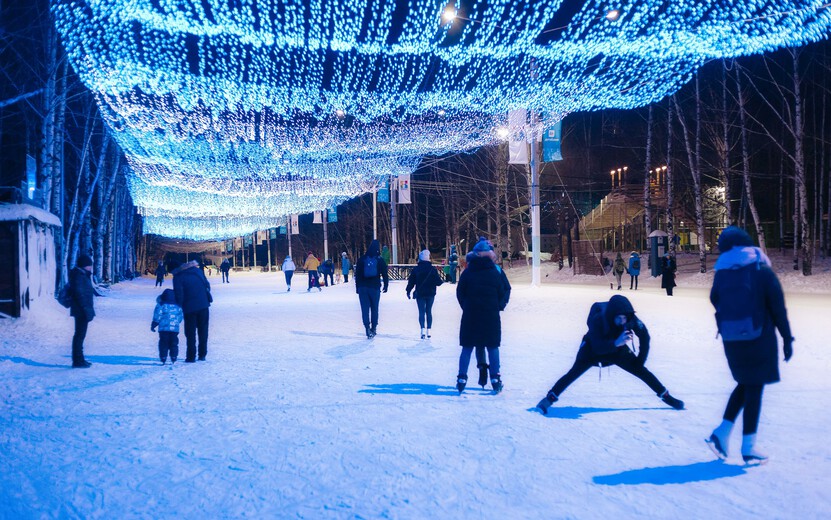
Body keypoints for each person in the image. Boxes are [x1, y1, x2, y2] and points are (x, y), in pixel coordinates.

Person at [706, 226, 793, 465]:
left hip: (731, 337)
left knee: (746, 383)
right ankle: (748, 448)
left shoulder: (722, 272)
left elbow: (714, 299)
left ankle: (722, 433)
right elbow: (777, 307)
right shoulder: (760, 269)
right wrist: (787, 338)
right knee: (754, 387)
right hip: (759, 336)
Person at [535, 294, 684, 414]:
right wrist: (616, 343)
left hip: (616, 351)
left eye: (625, 318)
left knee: (642, 371)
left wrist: (639, 362)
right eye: (619, 318)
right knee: (573, 373)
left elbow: (645, 336)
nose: (622, 321)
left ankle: (666, 396)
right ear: (612, 314)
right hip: (592, 349)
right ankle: (548, 399)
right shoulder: (598, 318)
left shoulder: (630, 318)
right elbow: (598, 347)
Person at [455, 238, 511, 394]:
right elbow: (503, 291)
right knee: (492, 347)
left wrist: (466, 306)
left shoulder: (467, 272)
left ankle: (462, 378)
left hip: (470, 315)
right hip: (490, 315)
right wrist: (499, 305)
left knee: (467, 347)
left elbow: (460, 292)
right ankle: (495, 378)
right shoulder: (495, 273)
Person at [173, 260, 212, 362]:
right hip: (203, 305)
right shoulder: (198, 271)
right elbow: (207, 285)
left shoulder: (178, 276)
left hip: (189, 308)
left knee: (190, 333)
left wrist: (179, 306)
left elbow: (179, 294)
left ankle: (191, 356)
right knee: (203, 331)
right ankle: (202, 354)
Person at [405, 249, 444, 339]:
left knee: (421, 312)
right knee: (429, 311)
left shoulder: (416, 269)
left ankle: (422, 330)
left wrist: (408, 291)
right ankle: (429, 330)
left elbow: (411, 282)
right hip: (430, 293)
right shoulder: (432, 270)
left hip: (420, 293)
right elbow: (438, 282)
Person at [354, 239, 389, 338]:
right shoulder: (379, 259)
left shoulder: (362, 259)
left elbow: (358, 274)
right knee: (374, 308)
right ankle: (374, 328)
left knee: (364, 309)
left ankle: (367, 328)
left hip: (363, 288)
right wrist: (386, 285)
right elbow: (385, 274)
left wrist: (357, 287)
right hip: (375, 287)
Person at [69, 254, 96, 368]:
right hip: (81, 311)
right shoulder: (79, 276)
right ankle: (78, 361)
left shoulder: (82, 275)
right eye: (89, 265)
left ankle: (80, 359)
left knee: (80, 336)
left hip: (81, 310)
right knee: (79, 336)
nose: (90, 267)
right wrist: (86, 310)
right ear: (84, 266)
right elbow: (81, 295)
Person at [151, 288, 184, 365]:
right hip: (174, 329)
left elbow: (157, 315)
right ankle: (174, 356)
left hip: (163, 328)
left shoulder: (161, 305)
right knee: (174, 343)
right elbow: (180, 317)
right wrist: (176, 322)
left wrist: (154, 324)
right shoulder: (178, 306)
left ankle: (163, 357)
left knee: (163, 342)